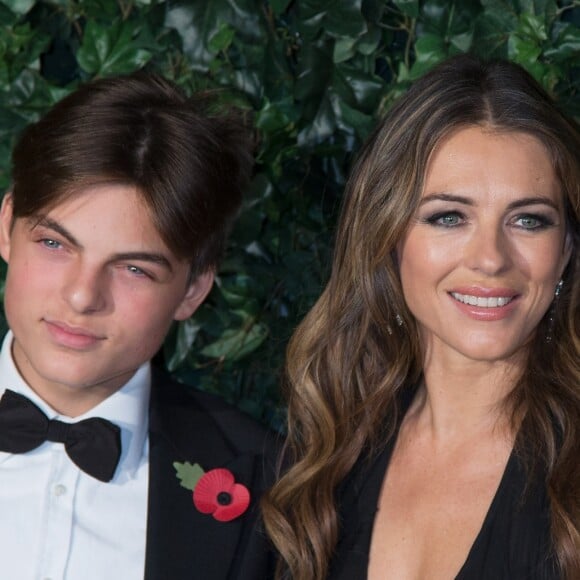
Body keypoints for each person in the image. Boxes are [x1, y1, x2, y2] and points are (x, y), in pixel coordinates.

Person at [263, 54, 579, 579]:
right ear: (387, 239)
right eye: (448, 217)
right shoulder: (333, 454)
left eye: (528, 220)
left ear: (566, 248)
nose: (490, 258)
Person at [0, 73, 277, 579]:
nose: (82, 296)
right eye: (54, 245)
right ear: (7, 226)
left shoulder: (267, 483)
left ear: (192, 289)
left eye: (134, 269)